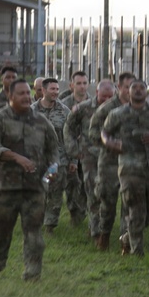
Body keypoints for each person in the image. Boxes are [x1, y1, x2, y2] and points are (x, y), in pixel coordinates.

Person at [0, 78, 59, 280]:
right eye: (21, 93)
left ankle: (33, 274)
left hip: (34, 190)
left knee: (34, 235)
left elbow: (54, 152)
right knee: (0, 232)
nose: (26, 97)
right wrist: (15, 157)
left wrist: (48, 179)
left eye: (28, 93)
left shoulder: (42, 122)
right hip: (4, 189)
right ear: (10, 96)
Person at [101, 79, 149, 256]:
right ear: (127, 92)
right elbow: (105, 131)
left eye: (142, 88)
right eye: (134, 88)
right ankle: (136, 250)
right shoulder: (117, 113)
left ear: (147, 92)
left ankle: (127, 237)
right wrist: (109, 142)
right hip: (129, 166)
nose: (138, 91)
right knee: (134, 206)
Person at [89, 72, 135, 251]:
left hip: (132, 163)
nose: (130, 91)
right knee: (107, 202)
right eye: (126, 87)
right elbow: (93, 133)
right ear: (119, 87)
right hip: (110, 162)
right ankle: (104, 235)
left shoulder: (141, 108)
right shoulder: (107, 109)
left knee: (130, 203)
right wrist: (109, 142)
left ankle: (126, 240)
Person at [65, 78, 115, 241]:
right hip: (89, 157)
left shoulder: (119, 109)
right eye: (103, 97)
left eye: (110, 97)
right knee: (93, 193)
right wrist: (74, 150)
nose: (106, 101)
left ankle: (107, 226)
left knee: (108, 194)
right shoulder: (83, 109)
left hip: (111, 158)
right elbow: (69, 128)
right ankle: (96, 231)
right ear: (96, 93)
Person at [32, 77, 75, 233]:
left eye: (57, 89)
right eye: (52, 89)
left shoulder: (64, 111)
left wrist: (73, 161)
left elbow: (71, 137)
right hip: (37, 162)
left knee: (55, 193)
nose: (56, 92)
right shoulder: (31, 111)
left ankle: (50, 225)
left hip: (57, 163)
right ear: (43, 91)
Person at [59, 71, 92, 231]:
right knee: (72, 185)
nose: (82, 86)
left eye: (85, 83)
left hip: (88, 153)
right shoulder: (63, 104)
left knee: (88, 184)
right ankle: (74, 214)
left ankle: (84, 213)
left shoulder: (94, 104)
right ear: (72, 85)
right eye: (78, 83)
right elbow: (61, 131)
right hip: (69, 152)